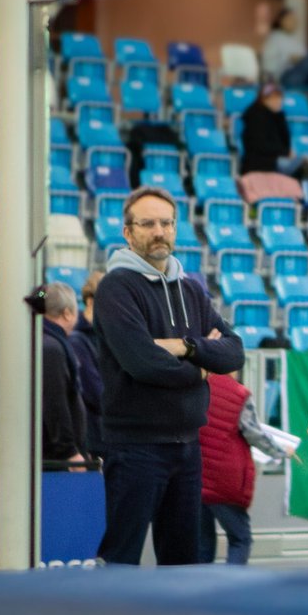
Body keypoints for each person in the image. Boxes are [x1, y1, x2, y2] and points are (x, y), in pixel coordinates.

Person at [93, 187, 246, 566]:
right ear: (128, 233)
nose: (159, 231)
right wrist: (204, 365)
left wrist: (184, 347)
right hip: (135, 447)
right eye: (147, 224)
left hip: (188, 446)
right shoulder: (115, 288)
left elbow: (234, 351)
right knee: (121, 558)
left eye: (166, 223)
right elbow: (143, 363)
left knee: (184, 563)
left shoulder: (191, 289)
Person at [197, 369, 293, 565]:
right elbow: (254, 434)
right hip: (225, 481)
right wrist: (281, 450)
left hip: (197, 478)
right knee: (240, 539)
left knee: (203, 544)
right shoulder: (238, 393)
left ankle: (202, 584)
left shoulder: (199, 386)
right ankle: (233, 584)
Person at [35, 282, 88, 469]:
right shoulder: (51, 347)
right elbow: (54, 401)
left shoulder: (42, 340)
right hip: (51, 459)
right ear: (67, 313)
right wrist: (70, 452)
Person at [70, 270, 106, 456]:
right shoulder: (77, 340)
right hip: (92, 438)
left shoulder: (110, 334)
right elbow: (94, 393)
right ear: (90, 302)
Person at [239, 83, 294, 176]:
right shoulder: (255, 117)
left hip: (276, 160)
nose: (278, 101)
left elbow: (286, 142)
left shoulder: (279, 116)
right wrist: (285, 152)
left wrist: (280, 118)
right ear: (263, 100)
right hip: (258, 164)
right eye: (273, 98)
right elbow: (260, 146)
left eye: (279, 98)